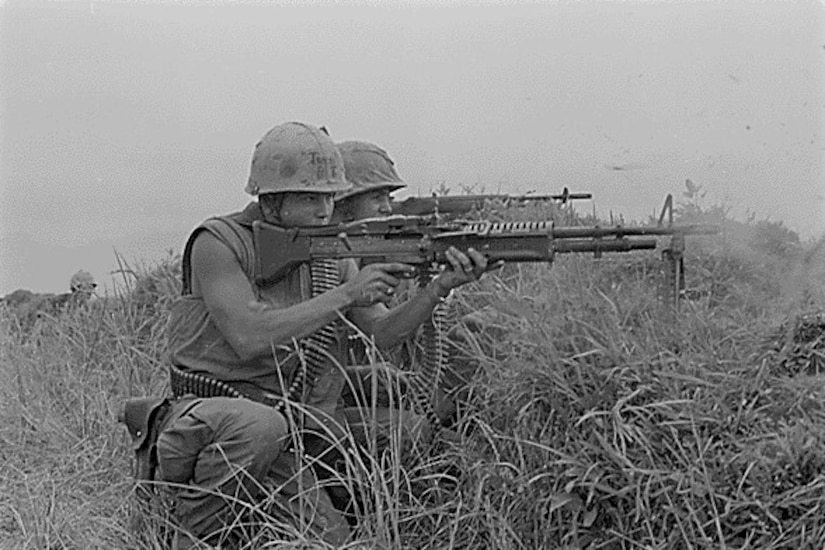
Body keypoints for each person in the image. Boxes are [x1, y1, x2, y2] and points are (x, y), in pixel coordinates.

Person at [153, 122, 488, 548]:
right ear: (271, 199)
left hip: (295, 420)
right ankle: (190, 530)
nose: (324, 209)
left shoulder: (327, 252)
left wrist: (438, 289)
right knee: (259, 426)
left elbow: (382, 333)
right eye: (311, 197)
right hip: (224, 418)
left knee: (329, 538)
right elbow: (250, 336)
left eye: (330, 196)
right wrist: (347, 294)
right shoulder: (218, 242)